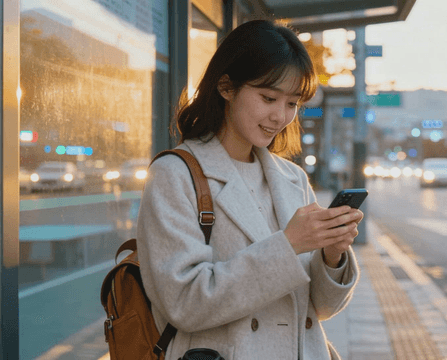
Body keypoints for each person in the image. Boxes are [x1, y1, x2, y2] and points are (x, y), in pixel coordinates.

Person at [136, 19, 363, 360]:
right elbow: (184, 303)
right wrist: (289, 245)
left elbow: (319, 309)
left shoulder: (292, 178)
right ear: (226, 87)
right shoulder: (175, 174)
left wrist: (333, 255)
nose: (280, 116)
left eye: (292, 103)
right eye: (269, 97)